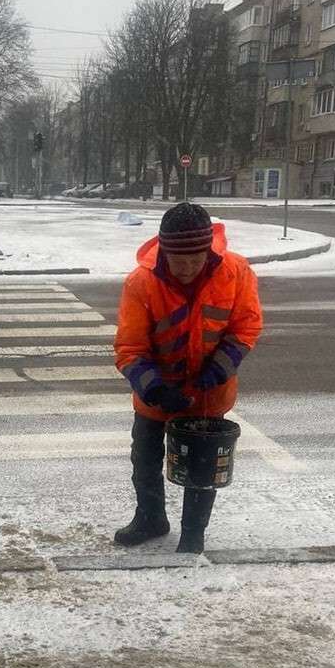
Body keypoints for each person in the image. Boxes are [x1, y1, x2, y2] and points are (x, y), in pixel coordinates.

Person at [113, 202, 263, 554]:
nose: (187, 269)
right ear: (163, 251)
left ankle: (193, 534)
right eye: (179, 262)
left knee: (203, 465)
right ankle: (151, 518)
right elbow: (129, 347)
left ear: (207, 250)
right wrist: (154, 389)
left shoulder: (235, 272)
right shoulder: (142, 282)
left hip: (209, 393)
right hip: (157, 393)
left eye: (195, 261)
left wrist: (218, 370)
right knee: (145, 458)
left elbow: (246, 326)